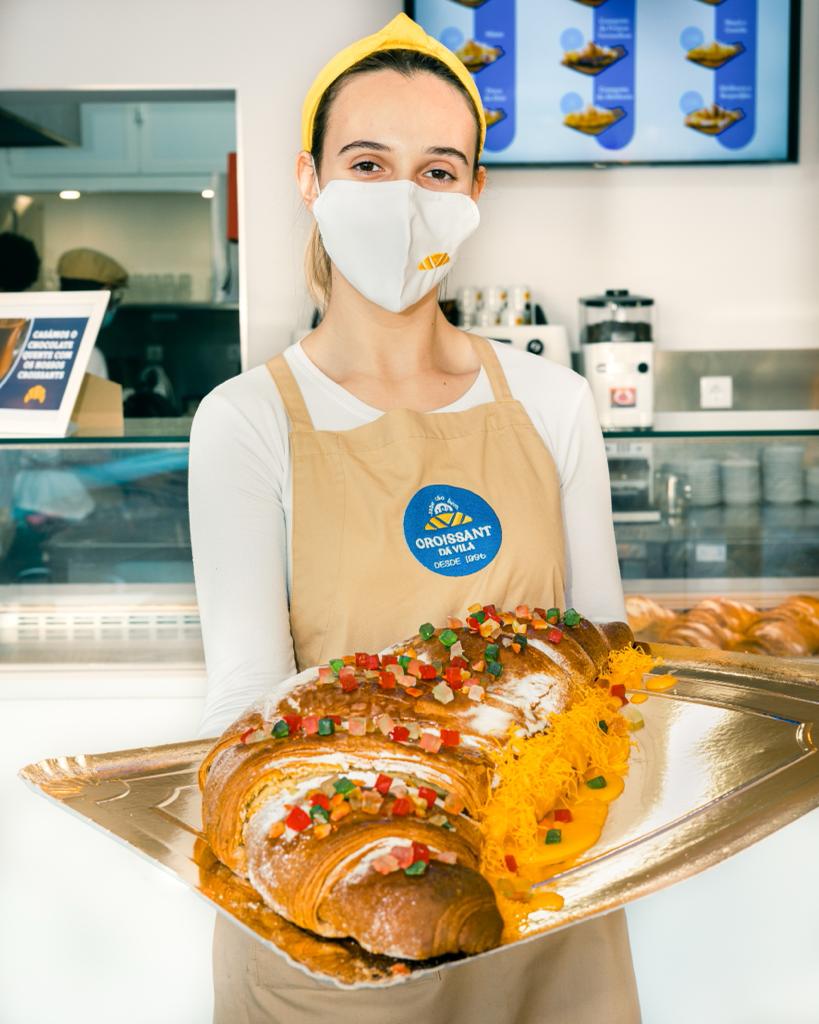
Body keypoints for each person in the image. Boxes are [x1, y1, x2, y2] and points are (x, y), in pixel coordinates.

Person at [188, 13, 640, 1024]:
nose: (405, 198)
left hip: (547, 898)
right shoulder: (248, 420)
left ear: (475, 194)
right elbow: (249, 701)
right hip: (340, 920)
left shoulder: (553, 402)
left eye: (439, 171)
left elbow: (608, 665)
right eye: (368, 162)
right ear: (310, 180)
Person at [58, 246, 129, 378]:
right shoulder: (90, 356)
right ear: (103, 295)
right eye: (114, 296)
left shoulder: (42, 338)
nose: (114, 304)